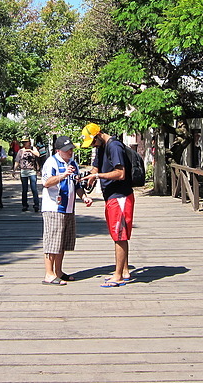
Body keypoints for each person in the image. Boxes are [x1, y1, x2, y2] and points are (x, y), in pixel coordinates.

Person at [80, 123, 135, 287]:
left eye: (92, 142)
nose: (92, 145)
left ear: (98, 135)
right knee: (117, 234)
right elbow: (96, 167)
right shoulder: (101, 147)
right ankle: (124, 271)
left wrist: (98, 176)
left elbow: (120, 173)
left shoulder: (114, 146)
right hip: (111, 196)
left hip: (120, 196)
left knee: (120, 235)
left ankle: (118, 276)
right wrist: (89, 176)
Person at [40, 135, 93, 285]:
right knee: (52, 241)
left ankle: (59, 271)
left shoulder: (73, 163)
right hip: (53, 208)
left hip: (68, 208)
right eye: (67, 150)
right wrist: (63, 175)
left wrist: (84, 197)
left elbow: (77, 185)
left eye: (71, 149)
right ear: (58, 150)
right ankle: (49, 274)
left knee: (62, 242)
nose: (70, 152)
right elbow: (46, 182)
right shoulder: (51, 162)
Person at [13, 136, 41, 212]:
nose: (24, 143)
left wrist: (30, 151)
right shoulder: (20, 151)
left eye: (26, 142)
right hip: (23, 171)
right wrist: (14, 170)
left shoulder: (33, 148)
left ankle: (36, 204)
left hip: (32, 170)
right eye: (23, 142)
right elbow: (17, 161)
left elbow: (38, 154)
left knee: (34, 188)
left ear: (29, 142)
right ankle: (24, 205)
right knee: (24, 189)